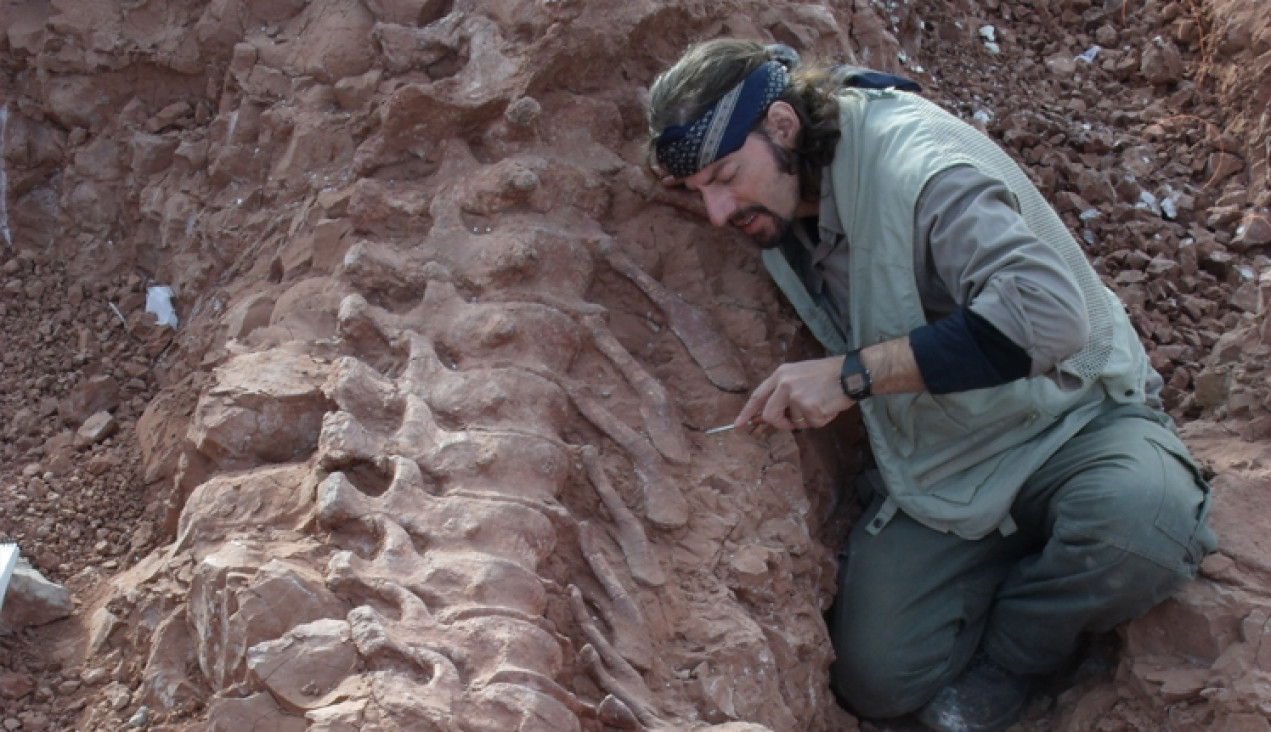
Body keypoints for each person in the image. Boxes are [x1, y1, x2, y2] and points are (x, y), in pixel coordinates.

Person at [645, 39, 1218, 732]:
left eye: (727, 176)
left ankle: (1016, 659)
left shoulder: (919, 165)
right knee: (876, 682)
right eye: (698, 188)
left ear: (784, 126)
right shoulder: (791, 191)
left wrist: (850, 376)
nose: (716, 211)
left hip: (1069, 421)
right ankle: (1028, 568)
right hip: (941, 461)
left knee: (1139, 526)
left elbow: (1047, 316)